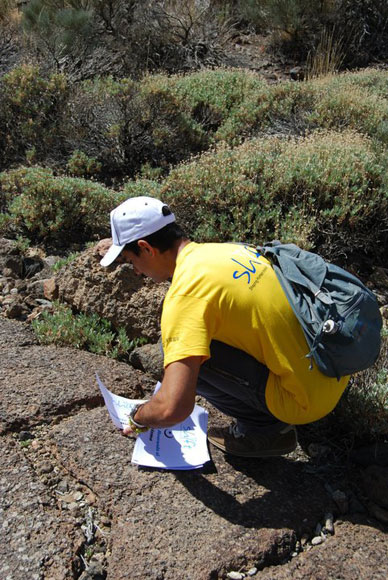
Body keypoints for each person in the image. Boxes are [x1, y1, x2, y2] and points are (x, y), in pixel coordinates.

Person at [100, 196, 350, 457]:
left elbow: (172, 408)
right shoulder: (228, 250)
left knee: (184, 353)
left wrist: (138, 417)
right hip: (336, 369)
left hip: (307, 402)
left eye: (131, 261)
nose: (137, 271)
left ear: (146, 248)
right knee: (202, 339)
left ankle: (265, 431)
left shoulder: (185, 295)